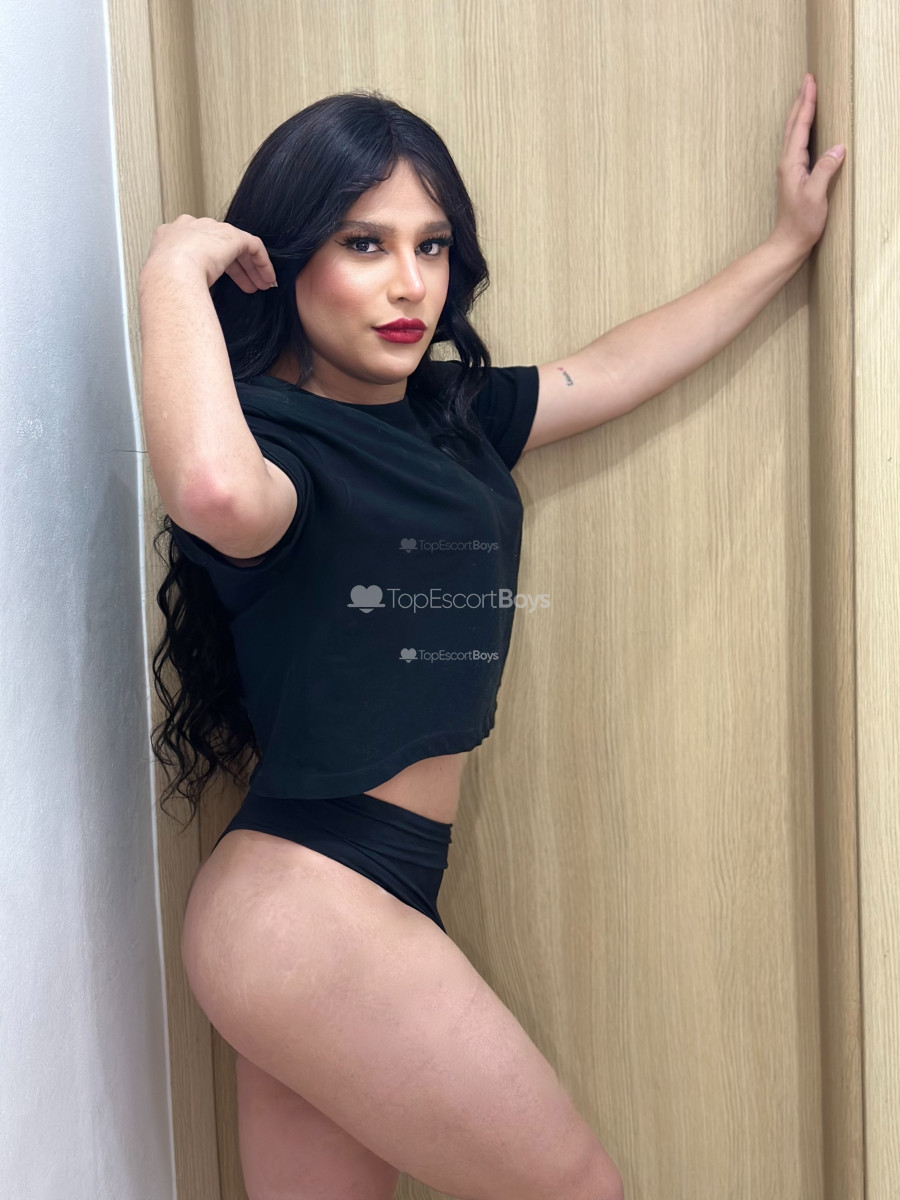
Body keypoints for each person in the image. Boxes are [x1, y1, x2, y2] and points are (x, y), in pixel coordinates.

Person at [139, 82, 843, 1200]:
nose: (409, 283)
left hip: (339, 909)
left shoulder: (447, 415)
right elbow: (215, 493)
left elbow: (609, 369)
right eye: (364, 244)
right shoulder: (271, 440)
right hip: (310, 906)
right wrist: (175, 269)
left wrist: (784, 249)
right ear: (284, 257)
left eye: (431, 245)